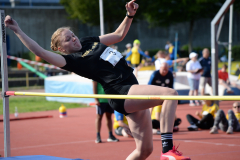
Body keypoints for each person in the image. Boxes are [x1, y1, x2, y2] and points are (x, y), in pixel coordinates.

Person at [5, 1, 190, 159]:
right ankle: (168, 150)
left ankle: (164, 152)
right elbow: (40, 52)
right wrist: (17, 30)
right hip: (120, 91)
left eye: (73, 36)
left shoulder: (88, 41)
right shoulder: (71, 61)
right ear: (62, 49)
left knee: (144, 151)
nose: (74, 40)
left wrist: (129, 15)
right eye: (68, 40)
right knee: (170, 94)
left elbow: (118, 35)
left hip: (131, 87)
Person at [148, 62, 181, 133]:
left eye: (166, 70)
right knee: (151, 106)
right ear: (160, 68)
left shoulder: (170, 74)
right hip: (155, 94)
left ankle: (173, 122)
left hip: (165, 95)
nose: (165, 71)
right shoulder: (155, 74)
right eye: (163, 69)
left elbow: (171, 87)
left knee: (171, 106)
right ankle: (148, 121)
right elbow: (149, 86)